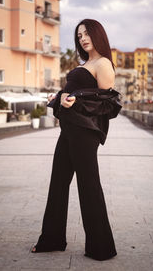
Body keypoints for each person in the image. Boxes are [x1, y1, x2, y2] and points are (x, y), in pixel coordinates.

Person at [31, 18, 120, 261]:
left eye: (86, 33)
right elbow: (76, 93)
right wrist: (59, 97)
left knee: (88, 186)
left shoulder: (103, 64)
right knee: (58, 183)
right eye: (79, 35)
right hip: (68, 129)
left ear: (97, 34)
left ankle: (101, 247)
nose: (82, 38)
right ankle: (52, 239)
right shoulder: (86, 62)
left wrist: (75, 100)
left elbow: (107, 104)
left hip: (84, 133)